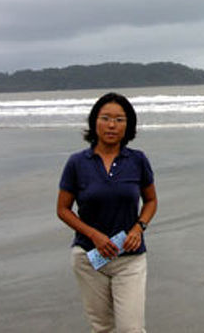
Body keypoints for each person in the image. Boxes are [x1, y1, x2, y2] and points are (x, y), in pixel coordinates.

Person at [57, 92, 158, 332]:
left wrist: (139, 227)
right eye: (105, 118)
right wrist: (94, 235)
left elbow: (151, 200)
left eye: (120, 119)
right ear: (94, 122)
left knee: (130, 329)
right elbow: (63, 209)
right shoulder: (77, 163)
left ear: (128, 125)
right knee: (102, 327)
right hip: (89, 258)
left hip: (130, 258)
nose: (112, 125)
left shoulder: (137, 160)